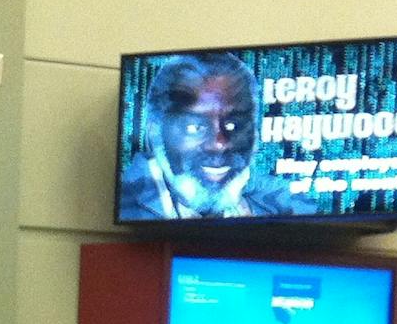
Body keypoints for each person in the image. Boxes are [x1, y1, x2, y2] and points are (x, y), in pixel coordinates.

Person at [116, 51, 303, 221]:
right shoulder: (125, 202)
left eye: (234, 125)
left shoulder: (290, 202)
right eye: (194, 127)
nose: (219, 144)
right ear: (155, 132)